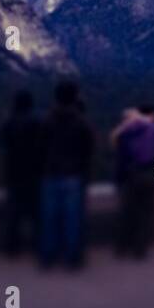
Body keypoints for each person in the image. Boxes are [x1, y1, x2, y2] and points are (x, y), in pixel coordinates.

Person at [38, 82, 94, 270]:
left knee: (49, 218)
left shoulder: (47, 120)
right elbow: (89, 148)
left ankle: (47, 256)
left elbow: (40, 147)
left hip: (50, 173)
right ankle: (73, 257)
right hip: (73, 174)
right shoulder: (81, 121)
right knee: (73, 219)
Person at [111, 104, 154, 259]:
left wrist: (119, 179)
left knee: (127, 212)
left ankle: (122, 247)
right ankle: (140, 249)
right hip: (149, 174)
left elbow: (121, 159)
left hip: (130, 175)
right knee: (147, 213)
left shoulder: (124, 132)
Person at [1, 91, 44, 258]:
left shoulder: (9, 123)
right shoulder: (37, 122)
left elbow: (5, 143)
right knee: (36, 213)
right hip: (34, 172)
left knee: (13, 213)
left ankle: (12, 247)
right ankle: (38, 245)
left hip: (13, 171)